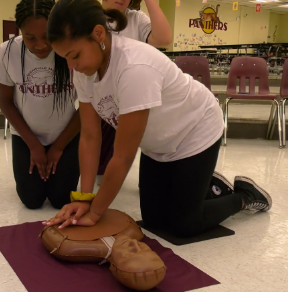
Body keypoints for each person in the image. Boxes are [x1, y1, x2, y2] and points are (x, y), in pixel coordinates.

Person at [43, 0, 272, 237]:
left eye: (75, 55)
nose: (72, 66)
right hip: (158, 143)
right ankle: (210, 186)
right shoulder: (85, 70)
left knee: (184, 223)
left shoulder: (134, 68)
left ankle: (245, 196)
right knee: (154, 219)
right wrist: (84, 199)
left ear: (98, 34)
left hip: (195, 130)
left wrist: (94, 214)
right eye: (65, 59)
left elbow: (122, 156)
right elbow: (90, 138)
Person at [0, 0, 80, 210]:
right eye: (31, 38)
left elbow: (86, 106)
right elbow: (5, 103)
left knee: (61, 201)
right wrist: (33, 145)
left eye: (47, 37)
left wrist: (58, 147)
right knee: (32, 200)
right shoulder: (7, 51)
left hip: (65, 136)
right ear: (19, 30)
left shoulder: (70, 50)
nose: (41, 45)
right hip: (26, 136)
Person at [96, 0, 172, 186]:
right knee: (103, 169)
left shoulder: (136, 18)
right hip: (103, 99)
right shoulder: (92, 15)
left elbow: (163, 39)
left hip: (132, 100)